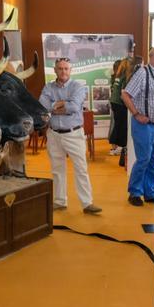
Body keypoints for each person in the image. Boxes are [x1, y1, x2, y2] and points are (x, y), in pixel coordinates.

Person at [39, 59, 101, 215]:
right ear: (55, 70)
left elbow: (74, 107)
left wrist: (54, 106)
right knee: (57, 169)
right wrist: (59, 105)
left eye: (66, 68)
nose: (63, 71)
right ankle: (60, 201)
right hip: (53, 134)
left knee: (81, 168)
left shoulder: (77, 87)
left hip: (73, 134)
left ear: (71, 70)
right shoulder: (48, 87)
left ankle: (87, 204)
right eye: (60, 68)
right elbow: (42, 106)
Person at [121, 47, 154, 207]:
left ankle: (150, 193)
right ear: (152, 57)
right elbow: (125, 94)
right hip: (144, 125)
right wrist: (136, 114)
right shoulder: (142, 73)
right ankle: (135, 193)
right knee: (144, 159)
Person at [107, 58, 131, 159]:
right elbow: (124, 93)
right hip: (120, 103)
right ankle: (120, 147)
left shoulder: (117, 76)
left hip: (114, 102)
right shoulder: (124, 77)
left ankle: (116, 147)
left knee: (117, 125)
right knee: (121, 126)